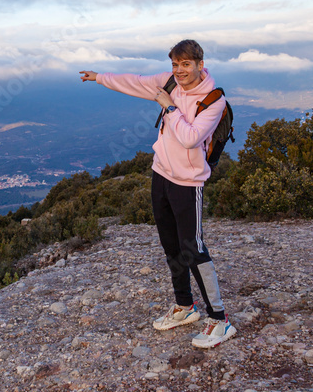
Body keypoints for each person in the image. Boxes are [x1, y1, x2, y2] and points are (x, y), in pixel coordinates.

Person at [79, 39, 236, 348]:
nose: (179, 71)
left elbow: (191, 138)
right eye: (176, 64)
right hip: (161, 174)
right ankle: (184, 306)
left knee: (193, 248)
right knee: (170, 245)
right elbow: (134, 83)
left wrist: (169, 106)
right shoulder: (167, 82)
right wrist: (99, 77)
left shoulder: (213, 100)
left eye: (186, 64)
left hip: (188, 182)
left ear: (200, 65)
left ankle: (220, 319)